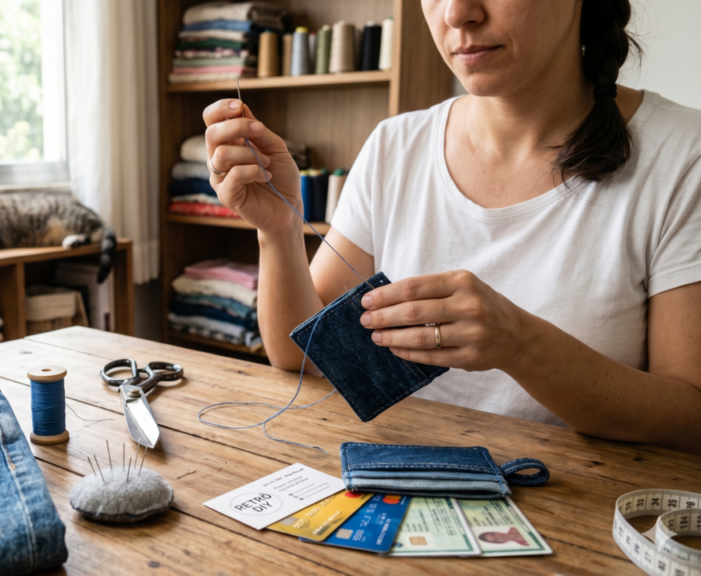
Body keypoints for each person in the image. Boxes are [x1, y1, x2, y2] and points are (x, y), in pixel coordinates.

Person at [202, 0, 701, 454]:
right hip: (406, 488)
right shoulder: (395, 145)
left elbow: (691, 418)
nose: (457, 13)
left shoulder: (683, 157)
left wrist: (521, 344)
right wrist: (279, 231)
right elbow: (304, 357)